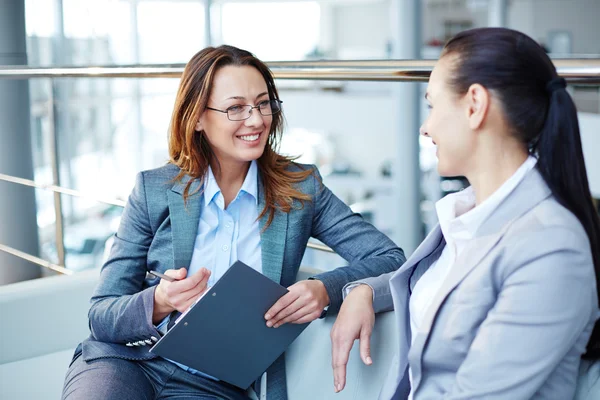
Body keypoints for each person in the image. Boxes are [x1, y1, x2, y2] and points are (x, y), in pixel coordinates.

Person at [61, 45, 406, 400]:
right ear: (196, 118)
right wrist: (160, 301)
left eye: (263, 103)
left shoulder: (301, 190)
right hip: (127, 361)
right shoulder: (154, 190)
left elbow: (391, 258)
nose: (256, 120)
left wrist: (326, 289)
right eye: (236, 108)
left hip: (213, 383)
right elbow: (101, 315)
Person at [330, 27, 600, 399]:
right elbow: (445, 288)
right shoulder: (469, 213)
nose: (425, 127)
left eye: (432, 105)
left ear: (474, 105)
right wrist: (365, 290)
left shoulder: (551, 245)